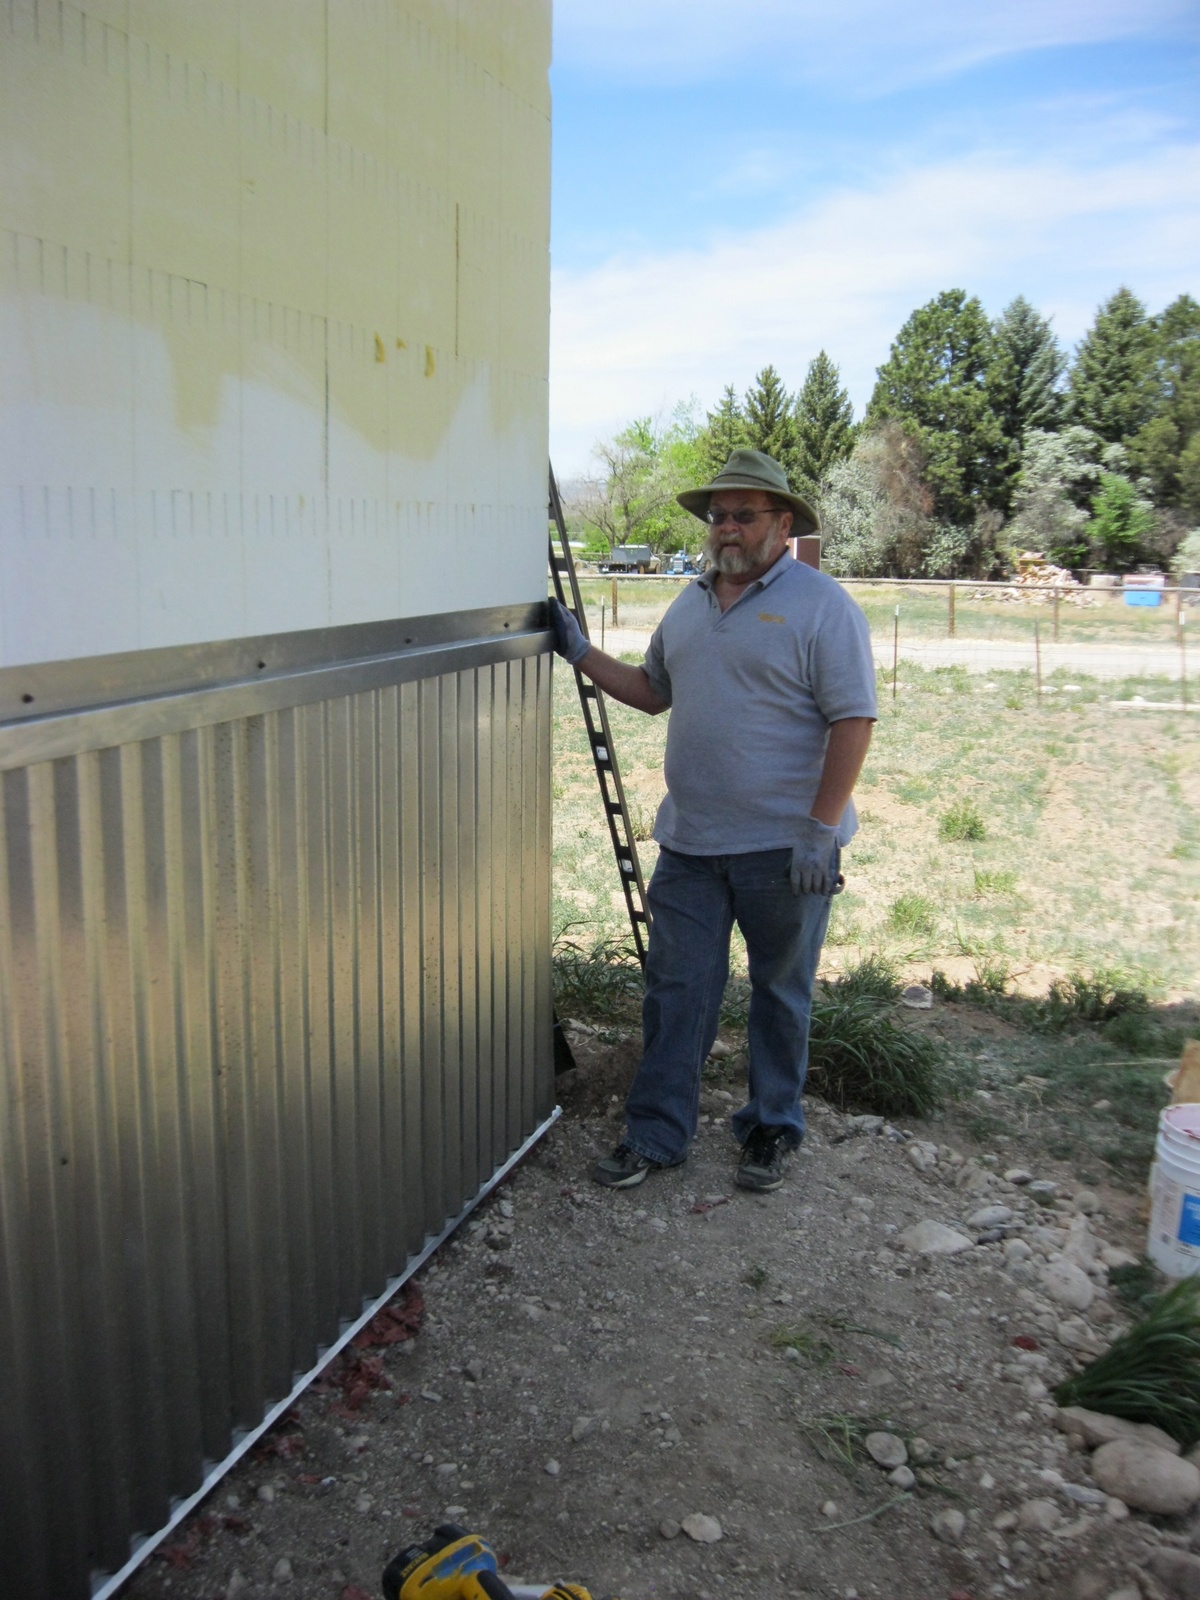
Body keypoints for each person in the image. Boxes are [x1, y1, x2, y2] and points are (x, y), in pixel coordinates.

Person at [549, 449, 876, 1193]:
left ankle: (769, 1128)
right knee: (676, 992)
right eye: (718, 515)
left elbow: (854, 719)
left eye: (744, 514)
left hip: (786, 852)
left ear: (782, 524)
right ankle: (657, 1135)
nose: (726, 528)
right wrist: (579, 651)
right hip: (691, 846)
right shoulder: (688, 604)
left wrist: (821, 830)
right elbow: (652, 690)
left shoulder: (824, 607)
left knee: (780, 994)